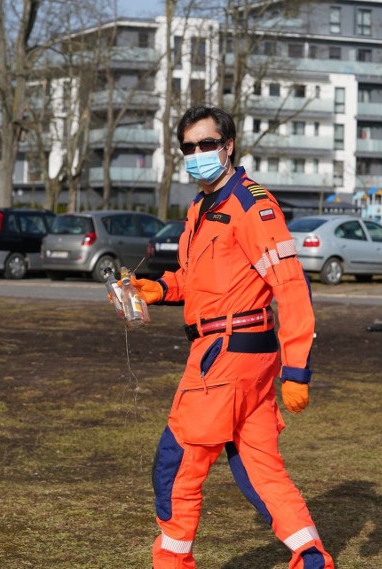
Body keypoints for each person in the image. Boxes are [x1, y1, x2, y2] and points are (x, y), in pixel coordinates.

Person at [130, 106, 334, 569]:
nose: (197, 154)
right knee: (259, 465)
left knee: (177, 463)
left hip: (227, 355)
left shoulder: (251, 204)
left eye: (206, 144)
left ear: (228, 146)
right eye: (188, 147)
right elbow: (198, 279)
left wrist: (298, 369)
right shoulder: (203, 206)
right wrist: (158, 288)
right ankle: (310, 557)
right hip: (236, 352)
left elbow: (290, 285)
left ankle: (172, 563)